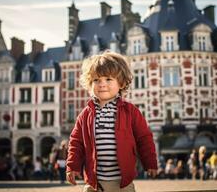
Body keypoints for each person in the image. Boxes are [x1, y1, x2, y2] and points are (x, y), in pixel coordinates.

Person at [66, 51, 158, 192]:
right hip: (94, 182)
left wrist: (150, 162)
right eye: (96, 80)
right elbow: (75, 142)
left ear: (121, 83)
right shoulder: (86, 114)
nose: (102, 84)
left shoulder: (130, 111)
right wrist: (72, 166)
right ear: (90, 84)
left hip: (122, 182)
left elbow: (144, 138)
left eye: (108, 79)